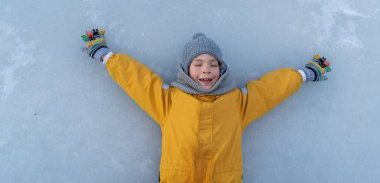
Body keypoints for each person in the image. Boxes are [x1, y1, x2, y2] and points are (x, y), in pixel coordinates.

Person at [81, 29, 331, 183]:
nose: (206, 70)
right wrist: (106, 55)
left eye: (213, 64)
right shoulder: (169, 100)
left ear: (221, 69)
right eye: (198, 63)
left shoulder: (238, 102)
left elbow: (271, 90)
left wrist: (304, 74)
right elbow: (137, 80)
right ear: (187, 69)